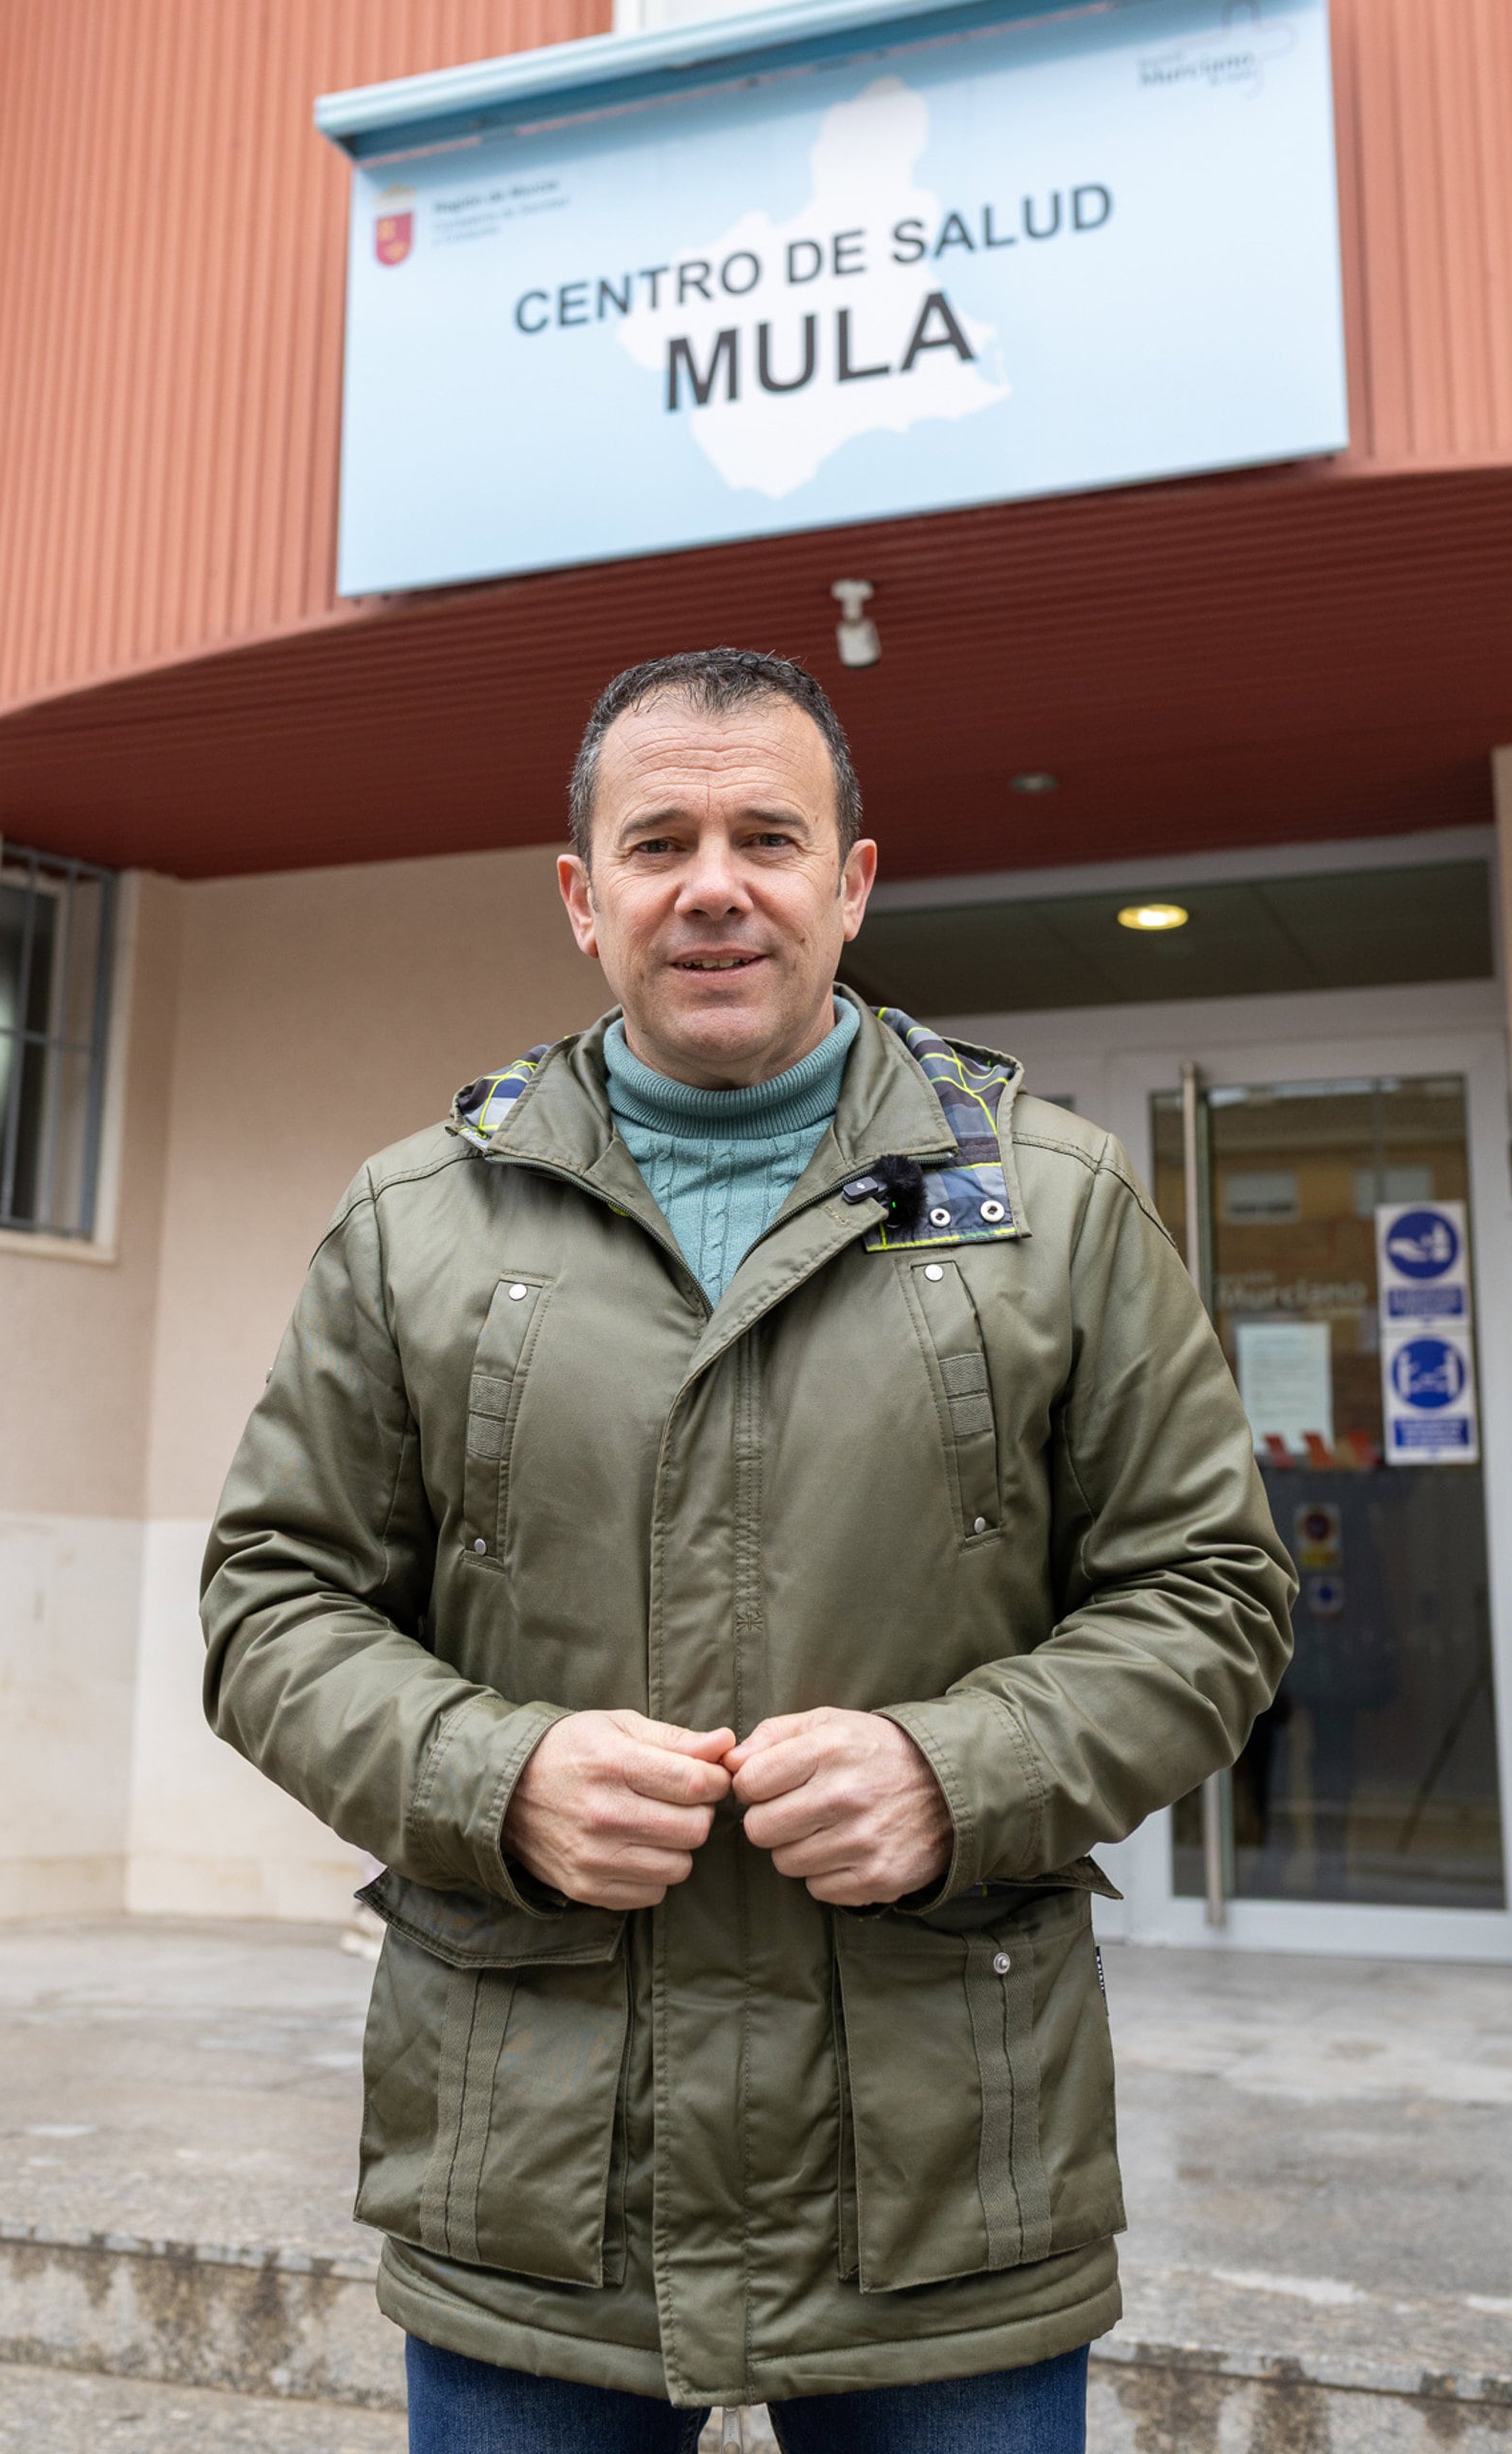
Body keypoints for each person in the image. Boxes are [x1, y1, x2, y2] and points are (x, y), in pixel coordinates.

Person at [200, 647, 1294, 2452]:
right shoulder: (412, 1224)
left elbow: (1213, 1594)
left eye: (767, 838)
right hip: (533, 2183)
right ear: (584, 898)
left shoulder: (1063, 1202)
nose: (714, 886)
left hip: (947, 2183)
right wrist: (498, 1775)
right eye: (660, 843)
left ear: (851, 883)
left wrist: (955, 1771)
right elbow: (272, 1605)